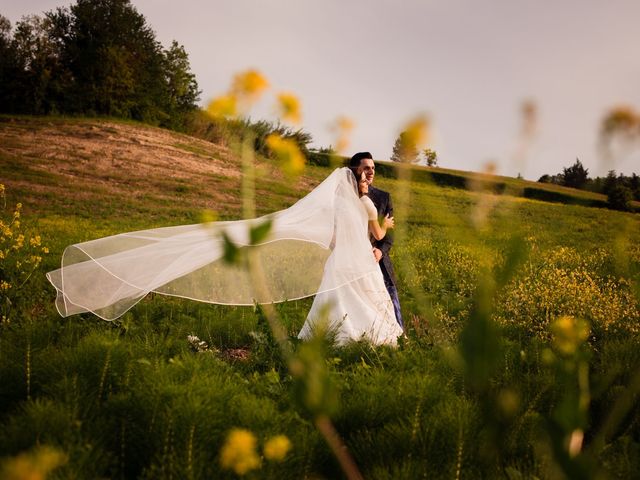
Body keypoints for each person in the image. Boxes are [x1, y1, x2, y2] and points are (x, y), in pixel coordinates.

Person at [46, 167, 403, 345]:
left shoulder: (357, 202)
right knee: (350, 301)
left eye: (372, 170)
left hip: (353, 261)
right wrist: (382, 227)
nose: (368, 174)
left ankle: (350, 337)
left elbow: (360, 236)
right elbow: (363, 234)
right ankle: (355, 338)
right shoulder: (360, 204)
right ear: (354, 174)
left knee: (352, 300)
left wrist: (374, 234)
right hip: (348, 261)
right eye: (364, 169)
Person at [297, 169, 402, 345]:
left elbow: (334, 234)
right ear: (355, 184)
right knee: (368, 298)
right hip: (362, 257)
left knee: (336, 297)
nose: (367, 184)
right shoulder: (367, 203)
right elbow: (378, 236)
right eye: (363, 182)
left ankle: (327, 333)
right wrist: (386, 224)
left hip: (340, 257)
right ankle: (368, 333)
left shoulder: (339, 204)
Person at [348, 152, 404, 329]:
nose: (371, 172)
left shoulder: (383, 197)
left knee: (389, 300)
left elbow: (389, 235)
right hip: (352, 260)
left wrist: (380, 251)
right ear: (357, 170)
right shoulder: (344, 197)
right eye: (366, 168)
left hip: (377, 259)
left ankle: (398, 335)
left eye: (373, 168)